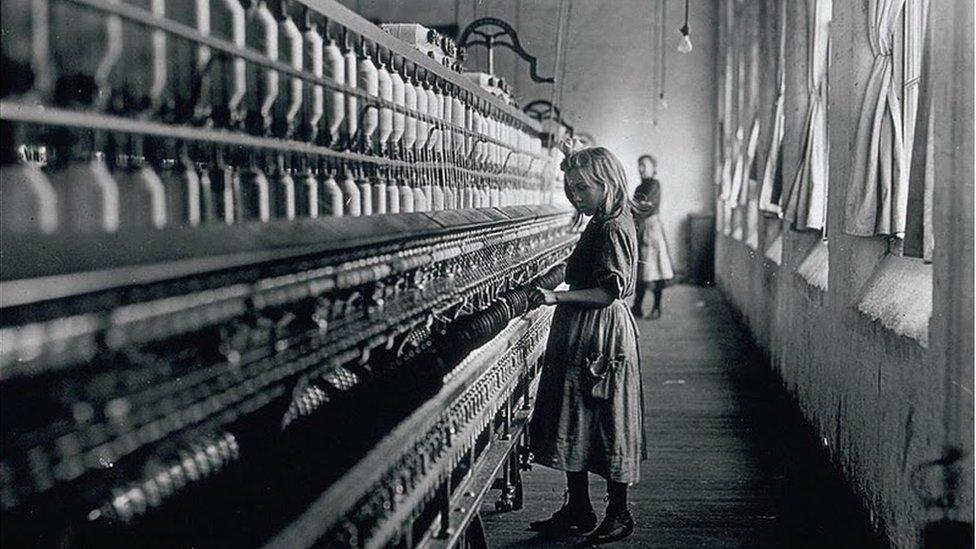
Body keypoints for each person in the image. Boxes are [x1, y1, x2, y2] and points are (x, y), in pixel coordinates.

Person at [527, 144, 647, 544]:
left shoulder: (613, 226)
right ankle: (578, 507)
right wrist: (551, 276)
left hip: (600, 331)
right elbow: (583, 265)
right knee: (573, 414)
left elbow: (608, 291)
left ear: (607, 184)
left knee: (608, 419)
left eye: (582, 189)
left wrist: (554, 297)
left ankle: (620, 512)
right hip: (582, 330)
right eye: (569, 188)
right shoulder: (601, 221)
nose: (574, 197)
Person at [632, 154, 674, 319]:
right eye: (639, 165)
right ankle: (637, 306)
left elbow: (644, 206)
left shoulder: (654, 185)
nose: (641, 168)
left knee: (656, 269)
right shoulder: (638, 187)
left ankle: (657, 307)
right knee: (641, 269)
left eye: (644, 165)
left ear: (653, 168)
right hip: (641, 229)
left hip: (652, 229)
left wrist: (631, 207)